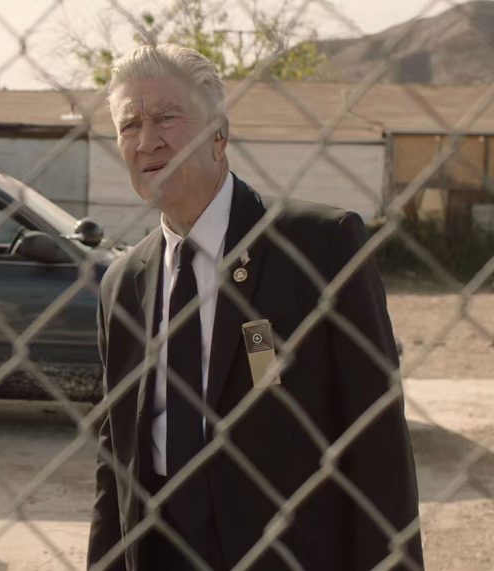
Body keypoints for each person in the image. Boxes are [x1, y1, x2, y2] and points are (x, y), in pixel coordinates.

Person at [87, 44, 423, 571]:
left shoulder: (319, 247)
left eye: (167, 118)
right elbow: (116, 464)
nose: (147, 141)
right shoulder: (121, 283)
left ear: (219, 134)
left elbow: (378, 444)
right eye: (130, 126)